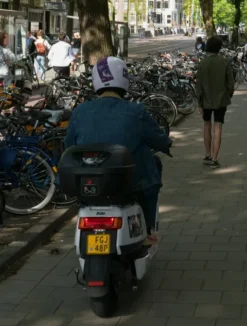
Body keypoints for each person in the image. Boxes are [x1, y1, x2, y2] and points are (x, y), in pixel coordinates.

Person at [65, 57, 171, 244]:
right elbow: (157, 137)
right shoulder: (136, 111)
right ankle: (147, 227)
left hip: (89, 181)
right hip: (130, 181)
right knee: (152, 171)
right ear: (124, 79)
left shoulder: (80, 111)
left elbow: (68, 144)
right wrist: (166, 143)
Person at [196, 37, 234, 169]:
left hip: (206, 100)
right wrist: (228, 94)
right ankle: (215, 158)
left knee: (207, 125)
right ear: (219, 48)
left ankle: (207, 154)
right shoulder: (224, 62)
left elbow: (198, 85)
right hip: (221, 100)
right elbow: (230, 83)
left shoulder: (203, 64)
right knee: (218, 127)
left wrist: (200, 102)